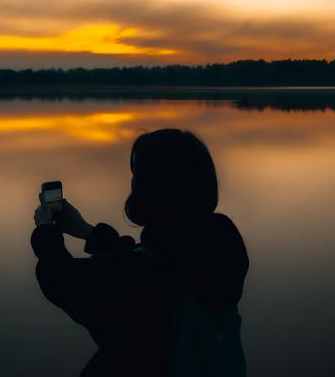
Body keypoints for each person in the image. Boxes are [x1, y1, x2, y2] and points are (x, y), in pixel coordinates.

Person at [31, 129, 249, 376]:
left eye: (138, 174)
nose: (132, 182)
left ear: (154, 191)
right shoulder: (215, 252)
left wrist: (46, 233)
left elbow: (65, 281)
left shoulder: (138, 277)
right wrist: (86, 231)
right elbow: (152, 260)